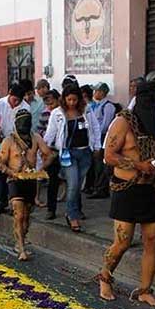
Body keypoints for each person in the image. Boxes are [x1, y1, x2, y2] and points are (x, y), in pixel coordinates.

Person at [96, 81, 155, 305]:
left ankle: (145, 290)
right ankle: (105, 277)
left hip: (152, 189)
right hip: (126, 189)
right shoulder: (122, 123)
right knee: (122, 241)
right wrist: (139, 165)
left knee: (152, 240)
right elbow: (109, 156)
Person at [0, 109, 56, 261]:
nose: (25, 125)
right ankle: (22, 248)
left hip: (31, 180)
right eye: (22, 122)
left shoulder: (35, 138)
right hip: (15, 181)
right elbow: (1, 163)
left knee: (27, 216)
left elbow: (49, 154)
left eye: (27, 122)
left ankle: (21, 240)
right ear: (16, 123)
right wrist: (12, 173)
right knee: (19, 214)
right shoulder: (9, 141)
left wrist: (42, 168)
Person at [44, 84, 101, 232]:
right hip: (68, 154)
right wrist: (45, 148)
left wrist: (97, 146)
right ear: (64, 99)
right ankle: (72, 215)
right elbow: (51, 133)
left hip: (85, 153)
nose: (72, 103)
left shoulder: (87, 110)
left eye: (74, 100)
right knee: (73, 184)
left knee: (78, 186)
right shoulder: (57, 113)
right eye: (69, 100)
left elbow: (95, 128)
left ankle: (73, 210)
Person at [0, 83, 30, 214]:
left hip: (17, 144)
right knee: (1, 171)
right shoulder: (1, 103)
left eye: (19, 101)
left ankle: (13, 202)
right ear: (9, 94)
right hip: (3, 141)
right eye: (14, 100)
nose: (16, 103)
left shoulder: (26, 107)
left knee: (15, 173)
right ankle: (1, 200)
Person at [88, 82, 117, 199]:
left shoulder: (108, 106)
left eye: (96, 91)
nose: (94, 93)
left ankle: (101, 188)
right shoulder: (94, 105)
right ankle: (96, 187)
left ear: (102, 92)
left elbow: (105, 125)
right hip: (95, 137)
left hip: (103, 136)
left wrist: (96, 136)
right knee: (95, 164)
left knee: (101, 164)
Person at [40, 89, 62, 220]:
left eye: (52, 102)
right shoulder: (46, 113)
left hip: (65, 150)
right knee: (52, 181)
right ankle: (51, 208)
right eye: (48, 103)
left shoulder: (64, 113)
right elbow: (41, 130)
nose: (50, 105)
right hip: (51, 150)